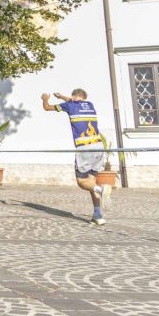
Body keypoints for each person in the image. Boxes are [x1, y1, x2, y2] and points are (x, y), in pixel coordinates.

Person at [41, 89, 112, 225]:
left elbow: (47, 107)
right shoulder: (90, 105)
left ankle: (102, 189)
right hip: (98, 146)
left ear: (74, 97)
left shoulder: (69, 105)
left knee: (82, 182)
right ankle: (97, 216)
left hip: (84, 147)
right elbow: (72, 100)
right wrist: (61, 96)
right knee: (91, 182)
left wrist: (45, 99)